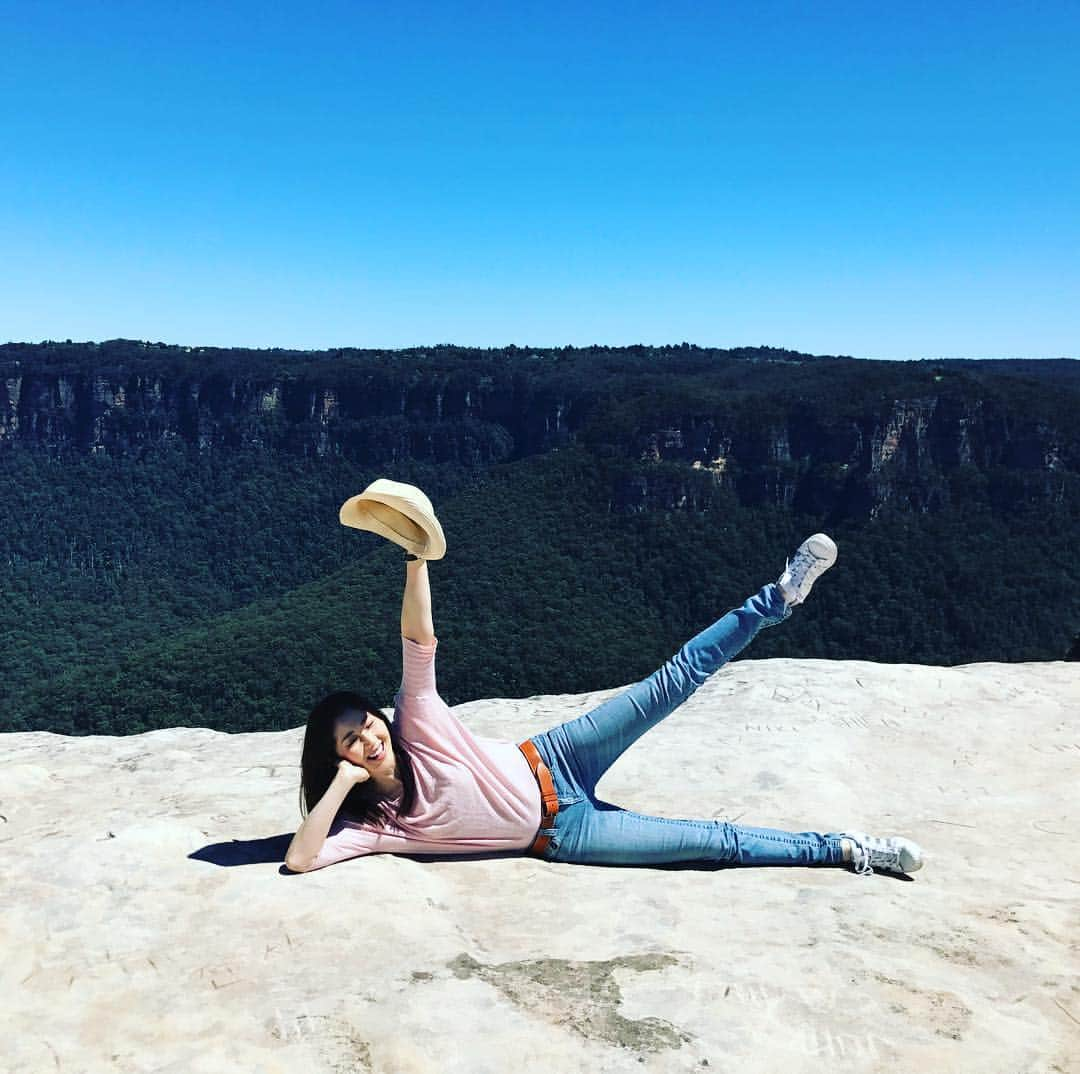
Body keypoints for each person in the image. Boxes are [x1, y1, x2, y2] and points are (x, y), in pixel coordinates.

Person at [285, 534, 924, 878]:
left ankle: (778, 597)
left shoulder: (416, 723)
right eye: (349, 741)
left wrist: (416, 559)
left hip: (557, 754)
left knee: (676, 677)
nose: (367, 738)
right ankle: (846, 849)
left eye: (364, 722)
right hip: (565, 834)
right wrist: (341, 785)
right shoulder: (378, 827)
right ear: (338, 757)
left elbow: (417, 642)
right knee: (712, 842)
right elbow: (301, 858)